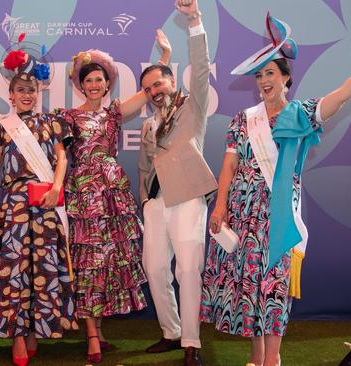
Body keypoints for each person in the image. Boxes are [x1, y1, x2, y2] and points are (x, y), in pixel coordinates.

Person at [200, 12, 351, 366]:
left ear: (285, 78)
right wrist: (220, 205)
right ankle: (256, 358)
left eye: (270, 73)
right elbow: (228, 165)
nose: (263, 80)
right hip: (242, 213)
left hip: (280, 215)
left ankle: (273, 359)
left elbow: (342, 93)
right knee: (250, 287)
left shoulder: (301, 114)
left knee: (274, 289)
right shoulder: (244, 119)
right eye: (259, 74)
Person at [62, 33, 169, 363]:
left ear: (107, 82)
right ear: (80, 85)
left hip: (112, 195)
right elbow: (61, 157)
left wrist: (165, 54)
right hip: (83, 195)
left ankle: (99, 329)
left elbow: (151, 87)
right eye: (88, 80)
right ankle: (92, 334)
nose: (94, 84)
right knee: (86, 263)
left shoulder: (115, 112)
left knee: (106, 263)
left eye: (99, 79)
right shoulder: (68, 117)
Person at [0, 42, 78, 366]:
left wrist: (57, 188)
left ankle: (37, 329)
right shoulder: (4, 125)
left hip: (46, 200)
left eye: (31, 89)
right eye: (21, 90)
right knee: (15, 270)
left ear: (39, 91)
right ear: (10, 94)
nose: (27, 94)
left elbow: (62, 158)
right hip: (15, 206)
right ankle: (18, 337)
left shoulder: (53, 122)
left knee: (44, 268)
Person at [137, 1, 215, 365]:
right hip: (155, 205)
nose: (154, 89)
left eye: (159, 82)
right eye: (148, 87)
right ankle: (170, 332)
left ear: (172, 79)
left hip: (187, 200)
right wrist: (145, 203)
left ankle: (191, 342)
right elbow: (143, 169)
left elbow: (200, 68)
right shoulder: (148, 125)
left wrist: (195, 21)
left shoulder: (191, 106)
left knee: (187, 270)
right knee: (154, 269)